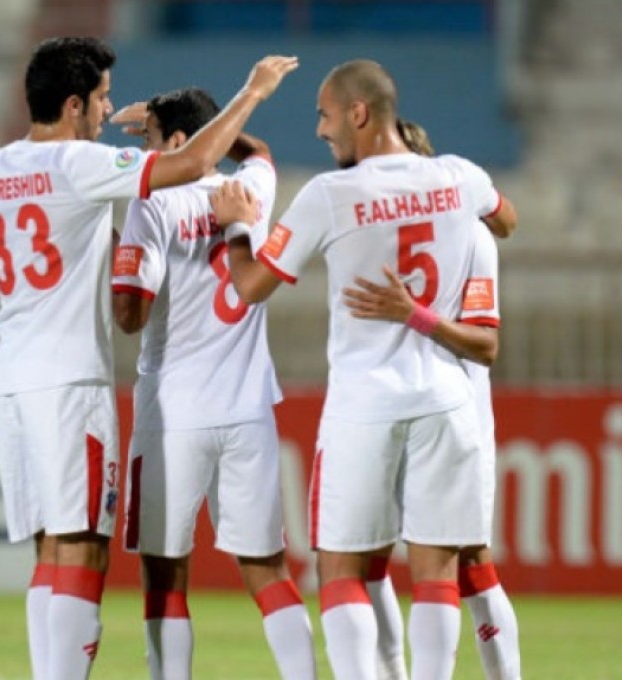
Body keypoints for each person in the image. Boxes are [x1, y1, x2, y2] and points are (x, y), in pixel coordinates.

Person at [0, 36, 297, 680]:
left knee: (50, 549)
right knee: (83, 550)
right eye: (103, 99)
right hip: (70, 380)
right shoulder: (79, 163)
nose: (109, 111)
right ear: (74, 104)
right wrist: (251, 93)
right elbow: (191, 166)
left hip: (13, 381)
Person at [209, 59, 517, 679]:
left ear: (358, 113)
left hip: (366, 405)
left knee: (342, 569)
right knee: (438, 573)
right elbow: (506, 219)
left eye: (324, 115)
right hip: (447, 402)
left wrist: (235, 226)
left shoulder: (332, 194)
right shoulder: (459, 176)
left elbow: (249, 287)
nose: (320, 130)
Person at [110, 88, 316, 679]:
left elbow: (131, 317)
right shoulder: (251, 191)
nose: (147, 154)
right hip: (249, 412)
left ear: (179, 143)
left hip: (173, 412)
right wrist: (210, 130)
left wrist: (114, 268)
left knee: (164, 572)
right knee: (268, 571)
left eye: (153, 140)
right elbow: (262, 150)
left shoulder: (150, 205)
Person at [344, 119, 522, 680]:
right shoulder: (376, 233)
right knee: (364, 552)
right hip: (386, 408)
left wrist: (413, 316)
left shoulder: (468, 237)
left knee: (468, 561)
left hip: (456, 411)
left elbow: (485, 345)